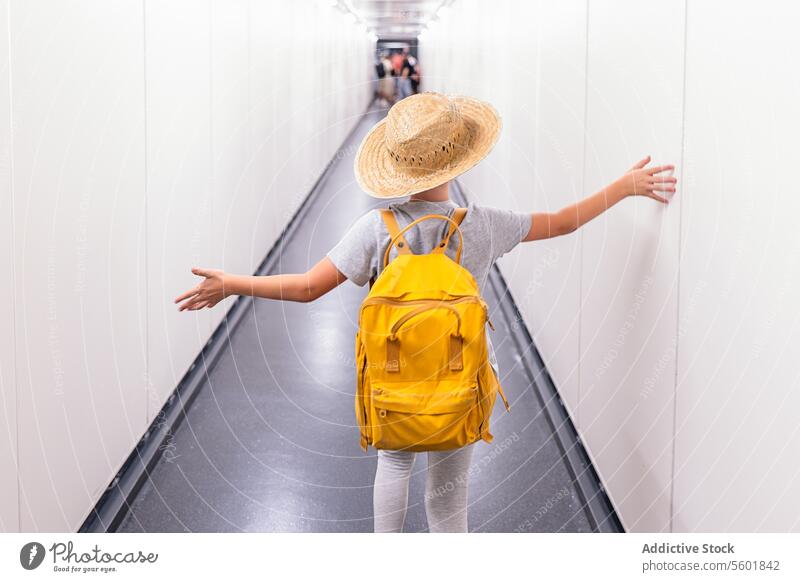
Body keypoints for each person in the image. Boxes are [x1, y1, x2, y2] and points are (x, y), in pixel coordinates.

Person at [173, 91, 677, 532]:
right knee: (449, 501)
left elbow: (308, 288)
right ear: (463, 160)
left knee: (393, 467)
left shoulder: (376, 228)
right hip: (462, 382)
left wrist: (232, 284)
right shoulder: (482, 225)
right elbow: (562, 223)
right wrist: (624, 186)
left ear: (396, 166)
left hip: (396, 385)